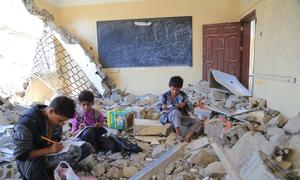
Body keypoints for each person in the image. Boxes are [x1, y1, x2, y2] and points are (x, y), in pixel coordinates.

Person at [13, 96, 93, 180]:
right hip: (33, 161)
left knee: (86, 148)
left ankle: (54, 170)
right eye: (60, 120)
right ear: (51, 111)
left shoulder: (54, 119)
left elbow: (56, 140)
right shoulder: (26, 125)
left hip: (48, 154)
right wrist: (49, 150)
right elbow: (21, 155)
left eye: (64, 121)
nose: (62, 124)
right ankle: (51, 172)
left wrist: (57, 145)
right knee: (38, 176)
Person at [157, 76, 201, 142]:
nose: (174, 92)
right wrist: (162, 106)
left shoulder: (183, 95)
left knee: (198, 122)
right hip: (168, 117)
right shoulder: (164, 96)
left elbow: (189, 107)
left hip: (180, 117)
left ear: (180, 88)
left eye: (177, 90)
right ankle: (178, 134)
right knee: (175, 112)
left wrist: (185, 104)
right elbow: (157, 108)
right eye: (173, 89)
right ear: (170, 87)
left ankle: (187, 137)